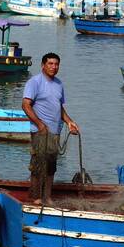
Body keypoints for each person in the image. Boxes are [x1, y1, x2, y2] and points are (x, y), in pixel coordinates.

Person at [21, 52, 79, 205]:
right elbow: (25, 105)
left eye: (56, 64)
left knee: (51, 166)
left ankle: (47, 197)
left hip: (54, 132)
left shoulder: (59, 84)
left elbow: (58, 107)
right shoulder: (35, 82)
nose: (54, 67)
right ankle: (36, 197)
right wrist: (40, 124)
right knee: (38, 164)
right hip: (40, 131)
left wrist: (69, 122)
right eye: (50, 64)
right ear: (43, 65)